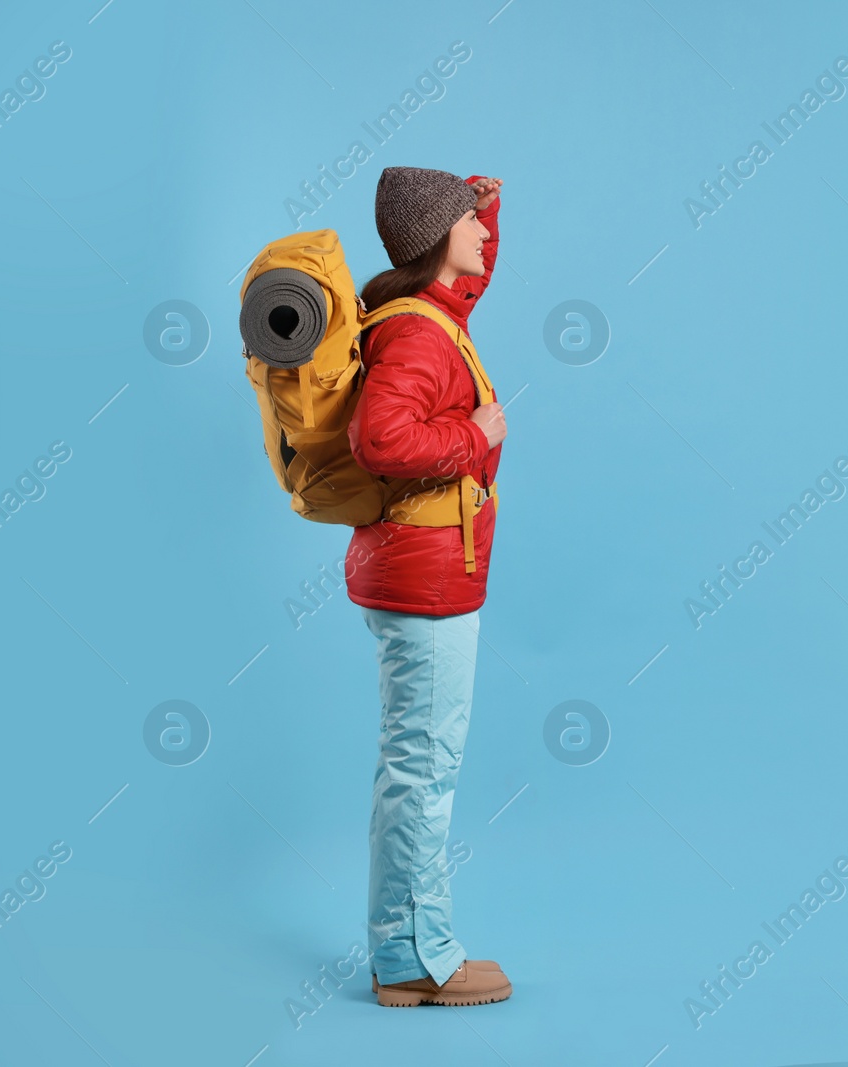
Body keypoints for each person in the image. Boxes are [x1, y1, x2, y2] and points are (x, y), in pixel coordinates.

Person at [344, 165, 511, 1008]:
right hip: (427, 582)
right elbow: (382, 439)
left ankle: (406, 947)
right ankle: (416, 957)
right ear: (436, 239)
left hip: (418, 572)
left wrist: (488, 204)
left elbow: (472, 278)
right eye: (470, 223)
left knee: (414, 766)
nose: (484, 235)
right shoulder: (416, 335)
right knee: (423, 771)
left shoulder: (431, 314)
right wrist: (472, 432)